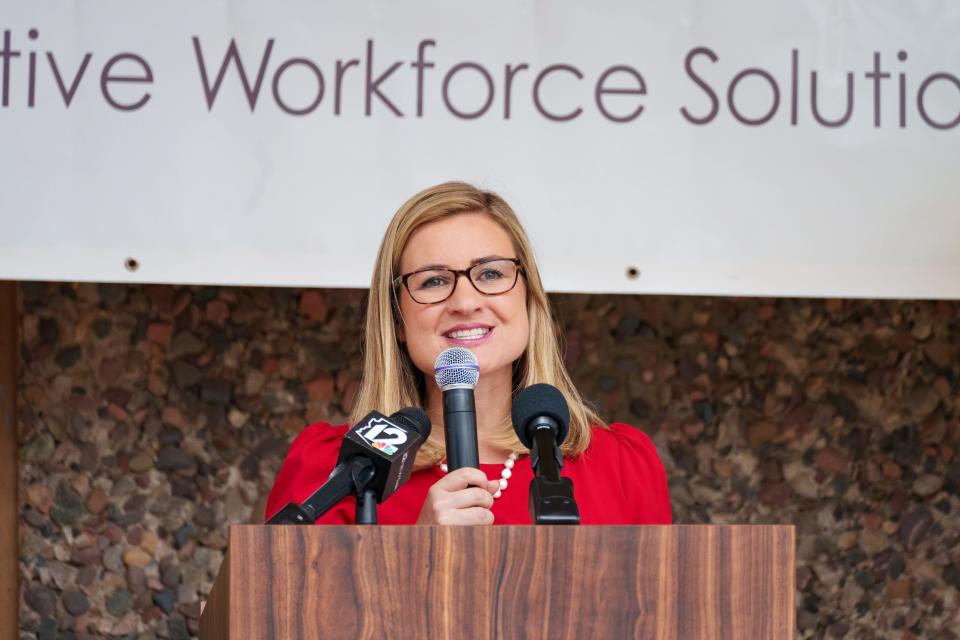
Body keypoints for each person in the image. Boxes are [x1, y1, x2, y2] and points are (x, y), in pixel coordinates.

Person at [265, 182, 671, 525]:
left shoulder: (620, 466)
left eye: (491, 273)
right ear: (397, 321)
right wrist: (412, 558)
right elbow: (277, 615)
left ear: (528, 300)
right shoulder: (335, 471)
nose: (465, 301)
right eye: (433, 281)